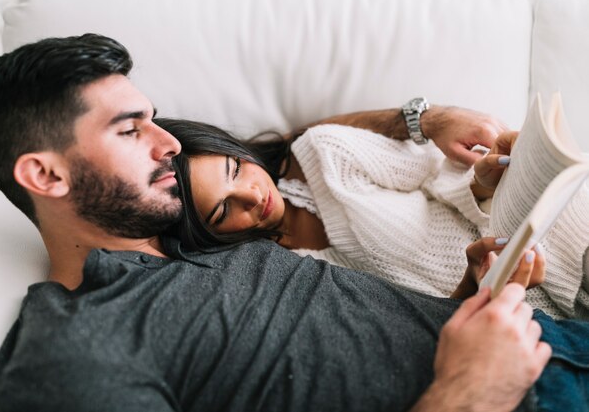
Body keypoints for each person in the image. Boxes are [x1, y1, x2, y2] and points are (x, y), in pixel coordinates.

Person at [0, 33, 587, 412]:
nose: (168, 143)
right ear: (45, 177)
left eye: (152, 118)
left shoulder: (208, 244)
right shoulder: (75, 348)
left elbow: (299, 151)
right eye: (130, 130)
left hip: (551, 339)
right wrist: (472, 390)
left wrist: (472, 301)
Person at [159, 116, 589, 319]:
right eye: (223, 210)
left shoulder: (325, 154)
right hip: (516, 315)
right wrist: (473, 288)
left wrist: (482, 182)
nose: (251, 196)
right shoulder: (274, 279)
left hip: (547, 230)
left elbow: (437, 176)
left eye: (234, 170)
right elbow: (407, 328)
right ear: (208, 237)